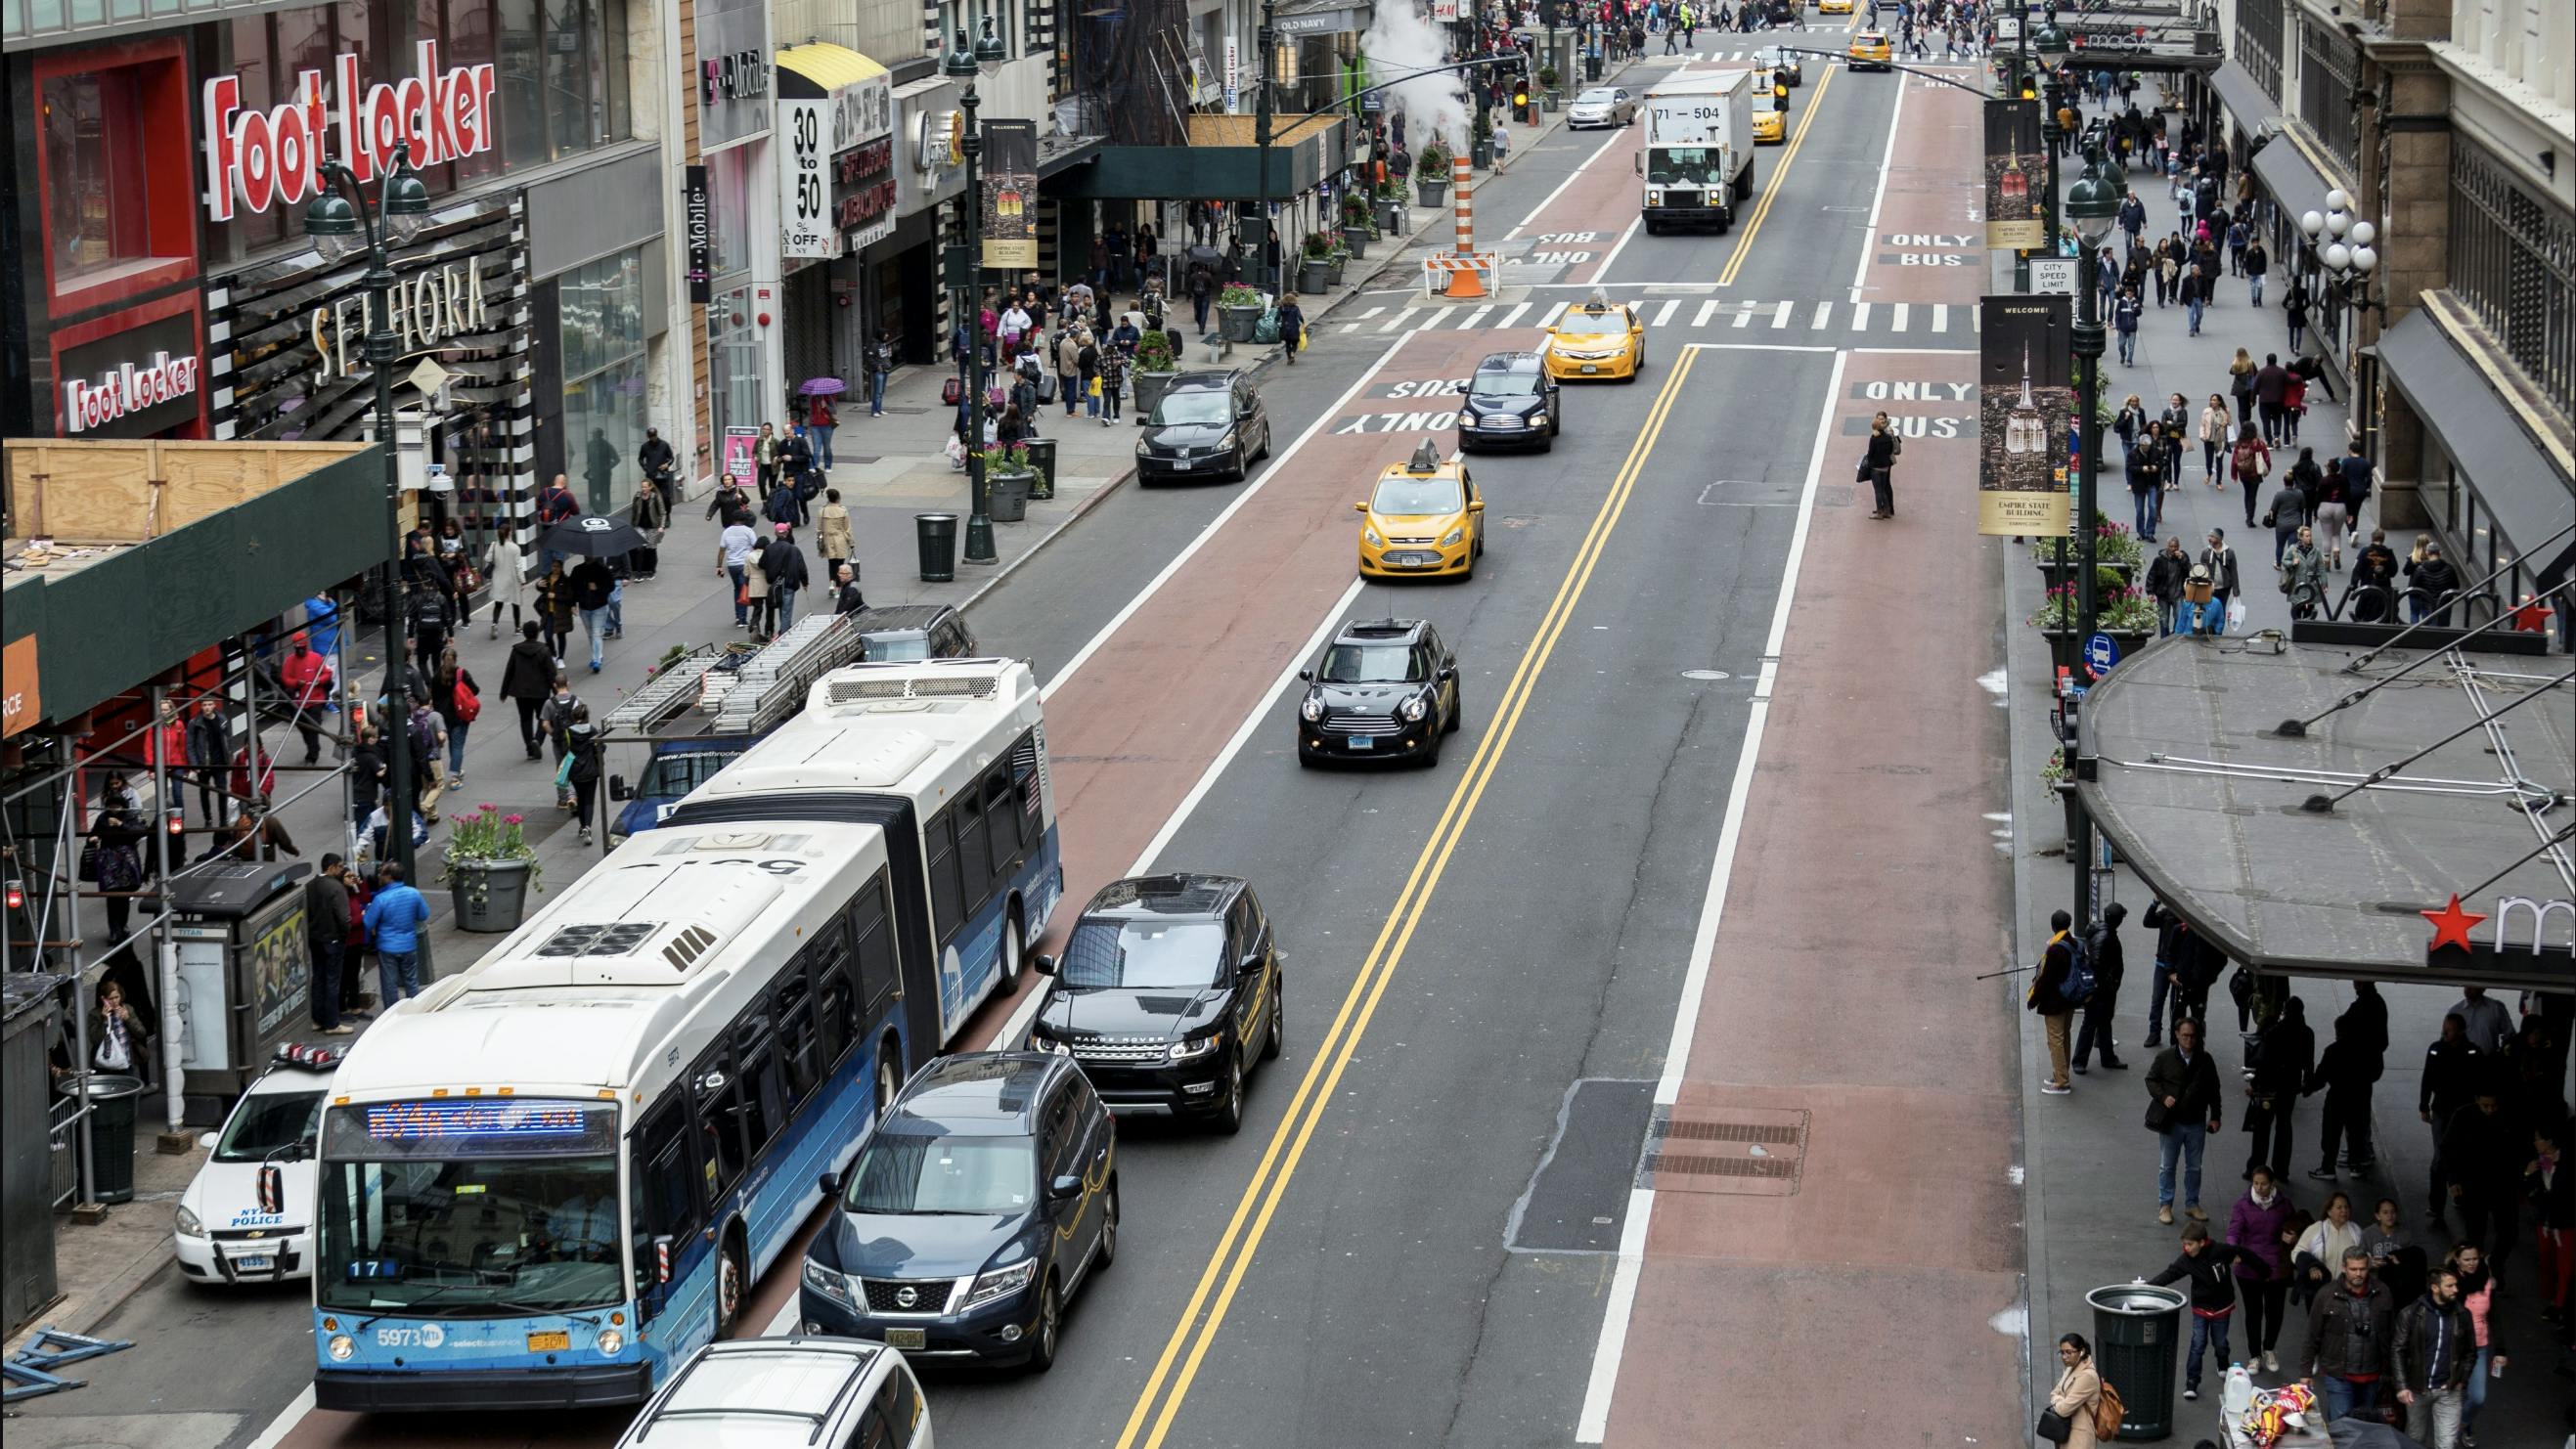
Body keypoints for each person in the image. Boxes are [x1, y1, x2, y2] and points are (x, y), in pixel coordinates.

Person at [2149, 1220, 2265, 1401]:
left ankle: (2223, 1362)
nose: (2186, 1248)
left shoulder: (2220, 1251)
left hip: (2222, 1307)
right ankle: (2192, 1381)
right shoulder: (2186, 1260)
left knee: (2220, 1341)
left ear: (2202, 1242)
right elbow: (2169, 1274)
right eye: (2184, 1244)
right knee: (2198, 1344)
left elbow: (2244, 1253)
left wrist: (2263, 1269)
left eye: (2190, 1244)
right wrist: (2148, 1287)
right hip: (2201, 1308)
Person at [2306, 1246, 2396, 1421]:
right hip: (2338, 1374)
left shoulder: (2382, 1292)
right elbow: (2312, 1334)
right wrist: (2305, 1372)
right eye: (2353, 1269)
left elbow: (2390, 1333)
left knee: (2366, 1427)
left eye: (2362, 1269)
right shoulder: (2327, 1294)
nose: (2358, 1274)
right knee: (2343, 1427)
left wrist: (2391, 1372)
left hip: (2372, 1373)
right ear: (2344, 1268)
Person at [2148, 1017, 2224, 1225]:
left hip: (2196, 1122)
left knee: (2194, 1167)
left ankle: (2192, 1204)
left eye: (2192, 1036)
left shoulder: (2205, 1060)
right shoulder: (2165, 1058)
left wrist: (2216, 1117)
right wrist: (2163, 1097)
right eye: (2185, 1035)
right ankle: (2165, 1204)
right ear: (2177, 1035)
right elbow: (2151, 1080)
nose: (2189, 1040)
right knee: (2167, 1166)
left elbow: (2213, 1090)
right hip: (2172, 1122)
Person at [2228, 1165, 2299, 1372]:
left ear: (2272, 1184)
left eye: (2264, 1184)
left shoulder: (2284, 1205)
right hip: (2249, 1267)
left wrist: (2291, 1237)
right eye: (2256, 1183)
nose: (2259, 1188)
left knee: (2275, 1311)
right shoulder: (2242, 1205)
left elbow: (2293, 1225)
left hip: (2276, 1265)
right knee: (2253, 1312)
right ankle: (2254, 1355)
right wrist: (2233, 1249)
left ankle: (2269, 1349)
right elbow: (2234, 1230)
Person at [2393, 1264, 2474, 1445]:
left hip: (2449, 1390)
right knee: (2415, 1439)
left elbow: (2470, 1351)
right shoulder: (2411, 1313)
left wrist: (2462, 1379)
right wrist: (2401, 1385)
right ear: (2435, 1287)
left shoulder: (2462, 1314)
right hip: (2416, 1388)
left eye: (2456, 1285)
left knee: (2446, 1444)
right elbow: (2398, 1349)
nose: (2456, 1289)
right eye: (2450, 1286)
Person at [2441, 1091, 2521, 1270]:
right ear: (2477, 1101)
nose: (2490, 1110)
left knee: (2509, 1232)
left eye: (2493, 1106)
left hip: (2503, 1185)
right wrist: (2453, 1180)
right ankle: (2476, 1272)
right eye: (2485, 1106)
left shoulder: (2508, 1116)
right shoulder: (2463, 1116)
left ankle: (2494, 1262)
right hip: (2473, 1185)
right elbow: (2448, 1148)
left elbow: (2519, 1147)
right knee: (2475, 1234)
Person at [2419, 1013, 2485, 1216]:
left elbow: (2480, 1081)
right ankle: (2436, 1204)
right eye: (2444, 1028)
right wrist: (2424, 1104)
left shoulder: (2473, 1052)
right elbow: (2427, 1077)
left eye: (2449, 1029)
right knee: (2440, 1157)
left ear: (2461, 1030)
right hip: (2442, 1110)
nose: (2444, 1032)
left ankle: (2459, 1195)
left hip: (2464, 1113)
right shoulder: (2437, 1050)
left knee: (2462, 1155)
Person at [2305, 1012, 2381, 1182]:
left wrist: (2307, 1088)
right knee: (2356, 1132)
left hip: (2337, 1097)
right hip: (2360, 1097)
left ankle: (2328, 1167)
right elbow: (2376, 1072)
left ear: (2338, 1031)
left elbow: (2321, 1077)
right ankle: (2356, 1165)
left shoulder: (2333, 1051)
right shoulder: (2367, 1050)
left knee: (2331, 1134)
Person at [2243, 996, 2313, 1181]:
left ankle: (2256, 1166)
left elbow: (2262, 1061)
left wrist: (2255, 1086)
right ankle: (2281, 1169)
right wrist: (2307, 1084)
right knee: (2284, 1125)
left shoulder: (2275, 1032)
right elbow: (2308, 1062)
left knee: (2263, 1128)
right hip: (2289, 1087)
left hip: (2269, 1086)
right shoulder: (2306, 1033)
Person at [2446, 1241, 2507, 1444]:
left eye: (2475, 1259)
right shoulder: (2447, 1282)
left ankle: (2462, 1424)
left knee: (2477, 1397)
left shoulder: (2486, 1282)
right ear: (2457, 1260)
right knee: (2454, 1394)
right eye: (2467, 1259)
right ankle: (2460, 1430)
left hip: (2478, 1347)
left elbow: (2495, 1316)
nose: (2472, 1263)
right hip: (2452, 1347)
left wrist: (2500, 1350)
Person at [2070, 902, 2129, 1075]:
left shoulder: (2102, 932)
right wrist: (2107, 983)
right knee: (2091, 1023)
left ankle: (2107, 1057)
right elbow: (2097, 965)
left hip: (2103, 988)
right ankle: (2080, 1061)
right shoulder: (2105, 937)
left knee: (2102, 1023)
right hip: (2101, 990)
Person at [363, 862, 431, 1005]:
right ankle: (413, 1010)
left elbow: (368, 923)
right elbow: (423, 914)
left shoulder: (381, 899)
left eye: (382, 873)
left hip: (388, 947)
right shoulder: (414, 893)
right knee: (411, 981)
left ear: (389, 877)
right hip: (408, 945)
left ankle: (392, 1014)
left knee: (389, 985)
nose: (379, 876)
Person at [2030, 908, 2081, 1095]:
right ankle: (2061, 1073)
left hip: (2055, 1002)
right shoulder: (2073, 943)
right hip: (2070, 999)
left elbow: (2047, 979)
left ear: (2053, 926)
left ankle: (2061, 1082)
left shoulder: (2056, 949)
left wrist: (2033, 999)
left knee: (2055, 1041)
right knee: (2064, 1037)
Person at [306, 855, 354, 1034]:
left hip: (315, 938)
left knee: (318, 978)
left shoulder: (310, 885)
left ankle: (317, 1019)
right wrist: (345, 933)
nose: (342, 870)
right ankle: (332, 1023)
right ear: (332, 867)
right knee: (332, 980)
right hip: (333, 939)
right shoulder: (336, 887)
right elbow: (343, 917)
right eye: (340, 866)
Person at [2291, 1191, 2363, 1304]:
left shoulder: (2356, 1231)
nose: (2344, 1211)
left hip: (2346, 1292)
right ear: (2329, 1211)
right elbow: (2297, 1252)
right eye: (2339, 1207)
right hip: (2318, 1290)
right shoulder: (2316, 1229)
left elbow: (2363, 1256)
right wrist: (2311, 1267)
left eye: (2346, 1207)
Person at [498, 621, 555, 762]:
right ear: (537, 633)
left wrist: (504, 692)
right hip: (541, 691)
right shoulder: (544, 650)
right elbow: (550, 673)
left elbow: (509, 671)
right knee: (543, 718)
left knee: (525, 719)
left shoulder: (516, 650)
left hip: (521, 692)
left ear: (524, 633)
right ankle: (537, 741)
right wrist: (556, 691)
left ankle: (530, 748)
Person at [278, 631, 335, 766]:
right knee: (303, 727)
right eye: (299, 649)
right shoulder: (289, 661)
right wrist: (296, 683)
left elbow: (327, 673)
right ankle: (313, 747)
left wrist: (318, 680)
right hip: (298, 702)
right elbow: (285, 678)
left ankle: (312, 755)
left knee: (313, 727)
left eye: (303, 648)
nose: (301, 651)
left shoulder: (316, 658)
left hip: (316, 699)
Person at [555, 702, 605, 847]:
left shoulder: (568, 731)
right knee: (589, 800)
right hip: (591, 771)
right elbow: (600, 748)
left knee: (581, 799)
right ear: (586, 716)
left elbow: (564, 750)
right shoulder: (592, 730)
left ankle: (582, 825)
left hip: (575, 771)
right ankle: (587, 827)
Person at [429, 645, 479, 788]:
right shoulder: (461, 673)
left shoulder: (437, 675)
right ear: (455, 659)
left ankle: (455, 768)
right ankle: (454, 777)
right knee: (457, 745)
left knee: (452, 741)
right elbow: (475, 690)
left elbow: (434, 696)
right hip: (460, 714)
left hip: (443, 716)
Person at [2044, 1335, 2103, 1448]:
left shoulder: (2087, 1376)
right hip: (2064, 1433)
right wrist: (2060, 1400)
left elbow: (2064, 1409)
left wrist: (2058, 1400)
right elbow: (2054, 1392)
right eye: (2062, 1352)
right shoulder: (2070, 1368)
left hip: (2079, 1439)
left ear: (2081, 1352)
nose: (2064, 1357)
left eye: (2069, 1352)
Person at [540, 674, 581, 810]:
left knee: (561, 768)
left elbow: (545, 724)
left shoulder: (549, 703)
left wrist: (554, 734)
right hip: (574, 739)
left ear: (555, 686)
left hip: (558, 741)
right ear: (568, 684)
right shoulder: (577, 701)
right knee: (574, 766)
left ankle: (563, 800)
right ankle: (574, 795)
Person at [762, 523, 810, 636]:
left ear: (775, 533)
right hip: (789, 583)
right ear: (787, 533)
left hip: (775, 583)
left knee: (779, 606)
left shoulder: (769, 548)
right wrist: (805, 582)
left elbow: (762, 563)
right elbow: (802, 568)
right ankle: (784, 633)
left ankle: (780, 629)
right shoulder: (794, 549)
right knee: (786, 611)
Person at [570, 555, 616, 674]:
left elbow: (611, 586)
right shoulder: (578, 570)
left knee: (596, 633)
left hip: (599, 606)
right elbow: (572, 588)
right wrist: (572, 604)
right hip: (584, 607)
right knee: (591, 634)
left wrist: (598, 588)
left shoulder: (603, 570)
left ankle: (596, 660)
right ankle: (597, 655)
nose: (587, 556)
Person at [483, 528, 528, 637]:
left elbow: (487, 558)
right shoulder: (515, 548)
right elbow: (518, 566)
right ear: (509, 533)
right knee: (515, 604)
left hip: (498, 579)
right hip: (512, 580)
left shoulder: (494, 545)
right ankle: (517, 628)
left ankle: (494, 624)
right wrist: (522, 581)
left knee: (498, 604)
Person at [2404, 540, 2461, 625]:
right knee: (2443, 629)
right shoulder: (2449, 569)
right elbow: (2456, 586)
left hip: (2427, 604)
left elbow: (2414, 588)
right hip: (2444, 605)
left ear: (2427, 553)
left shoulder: (2420, 569)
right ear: (2439, 553)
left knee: (2428, 630)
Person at [719, 513, 760, 632]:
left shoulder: (726, 532)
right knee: (744, 590)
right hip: (744, 564)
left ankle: (738, 616)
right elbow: (756, 546)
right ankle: (742, 619)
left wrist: (719, 566)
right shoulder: (748, 531)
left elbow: (722, 549)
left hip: (732, 565)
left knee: (737, 589)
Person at [2279, 524, 2327, 620]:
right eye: (2307, 536)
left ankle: (2307, 634)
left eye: (2310, 535)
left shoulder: (2315, 551)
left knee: (2309, 615)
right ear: (2301, 537)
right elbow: (2284, 561)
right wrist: (2292, 563)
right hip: (2297, 587)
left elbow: (2321, 568)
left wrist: (2324, 584)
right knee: (2296, 614)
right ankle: (2296, 632)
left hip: (2311, 587)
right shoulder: (2293, 549)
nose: (2309, 538)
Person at [534, 558, 576, 662]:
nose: (555, 568)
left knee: (561, 635)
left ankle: (561, 658)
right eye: (553, 566)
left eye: (557, 566)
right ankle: (553, 653)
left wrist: (555, 596)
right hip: (549, 612)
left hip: (561, 613)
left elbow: (569, 597)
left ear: (561, 568)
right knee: (547, 636)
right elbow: (541, 589)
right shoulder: (547, 578)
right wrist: (538, 585)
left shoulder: (566, 580)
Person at [2229, 425, 2271, 530]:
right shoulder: (2257, 443)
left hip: (2243, 473)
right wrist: (2267, 468)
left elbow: (2234, 460)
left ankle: (2248, 511)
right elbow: (2266, 456)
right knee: (2253, 495)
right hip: (2254, 473)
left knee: (2247, 493)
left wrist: (2234, 474)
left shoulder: (2239, 444)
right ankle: (2250, 518)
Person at [1863, 413, 1900, 519]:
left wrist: (1870, 463)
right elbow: (1890, 450)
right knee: (1884, 488)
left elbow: (1870, 454)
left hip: (1876, 467)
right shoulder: (1888, 437)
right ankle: (1887, 510)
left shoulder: (1874, 439)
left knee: (1879, 490)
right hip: (1886, 466)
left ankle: (1880, 512)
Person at [816, 488, 855, 586]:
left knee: (831, 562)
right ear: (838, 498)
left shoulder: (823, 511)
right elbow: (847, 529)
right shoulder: (843, 511)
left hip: (828, 539)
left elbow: (819, 528)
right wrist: (851, 543)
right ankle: (838, 585)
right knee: (840, 563)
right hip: (840, 538)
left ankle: (832, 583)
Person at [808, 389, 837, 471]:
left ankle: (828, 465)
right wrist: (809, 426)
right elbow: (811, 412)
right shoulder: (812, 398)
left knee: (827, 447)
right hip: (815, 426)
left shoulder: (828, 397)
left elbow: (834, 411)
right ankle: (813, 466)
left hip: (827, 426)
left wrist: (826, 405)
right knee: (816, 448)